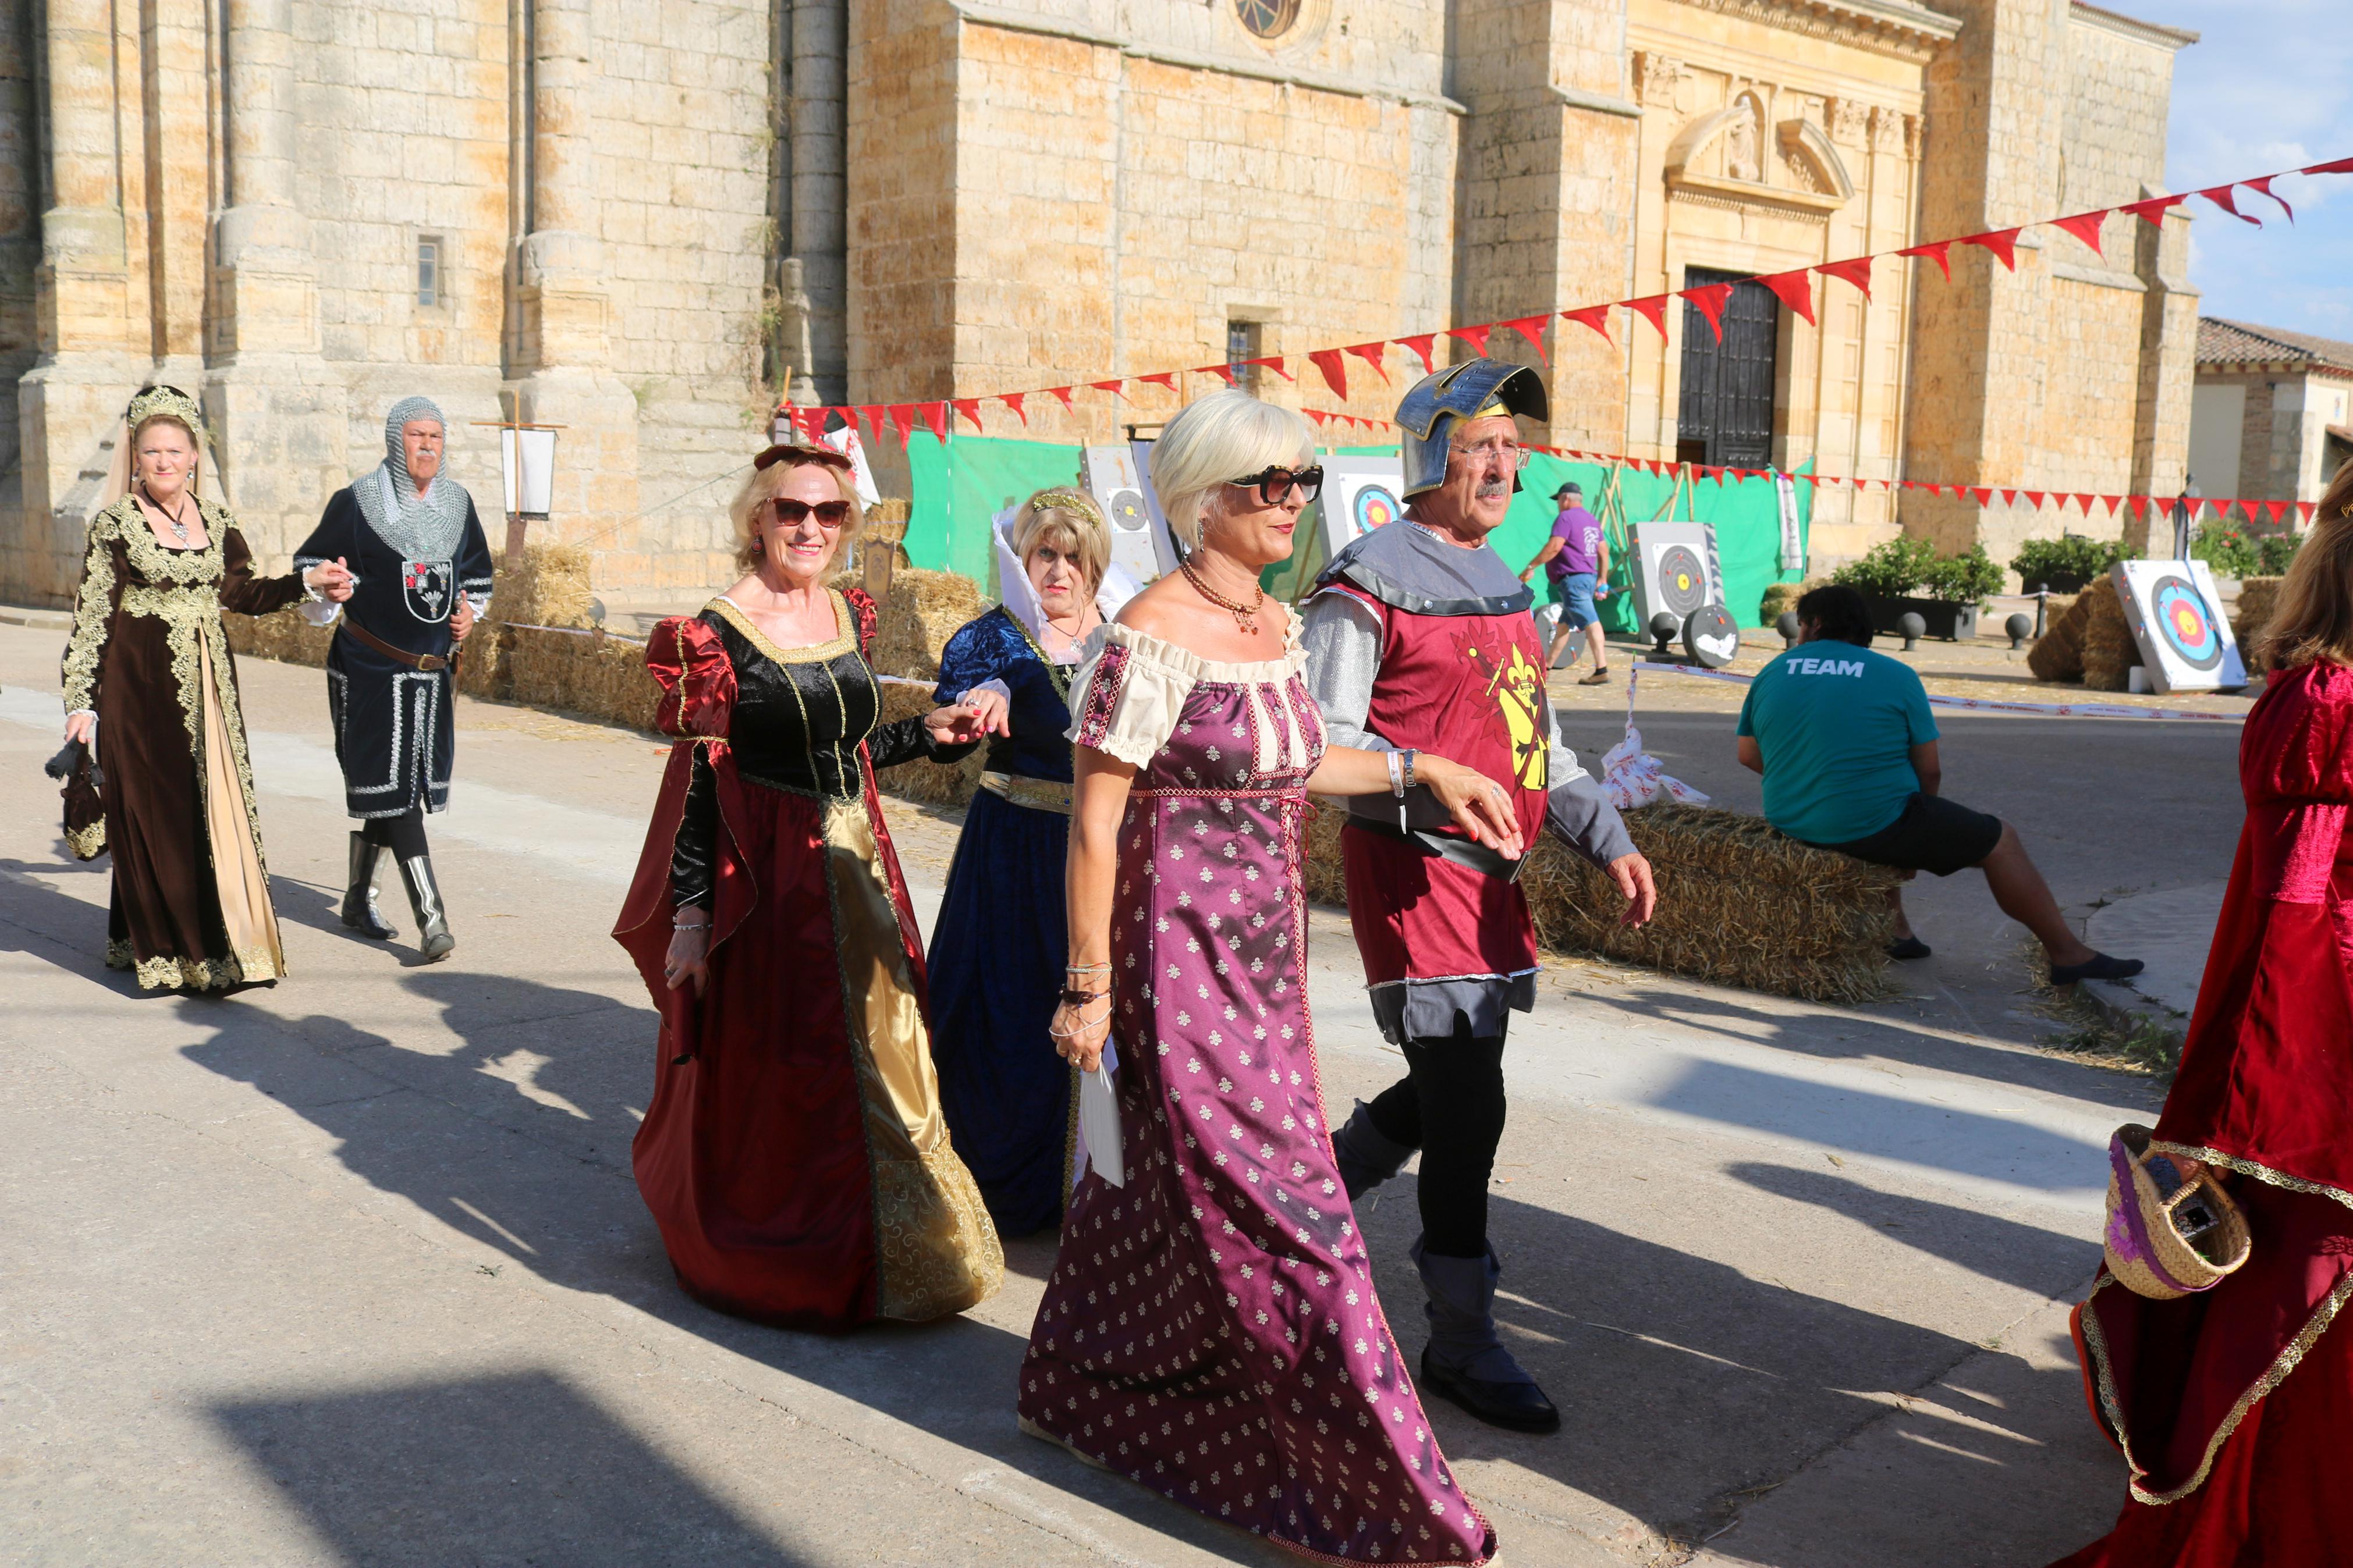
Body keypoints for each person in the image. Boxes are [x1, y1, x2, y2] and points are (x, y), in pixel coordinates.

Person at [1020, 389, 1526, 1564]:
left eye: (1304, 482)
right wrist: (1087, 988)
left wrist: (1425, 770)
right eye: (1270, 487)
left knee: (1147, 1188)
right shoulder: (1150, 628)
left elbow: (1303, 757)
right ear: (1203, 498)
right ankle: (1379, 1485)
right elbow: (1092, 823)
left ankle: (1094, 1392)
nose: (1294, 506)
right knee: (1290, 1218)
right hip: (1170, 960)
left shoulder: (1272, 622)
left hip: (1263, 963)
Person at [1303, 358, 1658, 1435]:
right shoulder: (1367, 575)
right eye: (1478, 443)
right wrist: (1420, 773)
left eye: (1511, 445)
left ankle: (1303, 1198)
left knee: (1457, 1081)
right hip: (1415, 872)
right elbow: (1316, 741)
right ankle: (1459, 1340)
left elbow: (1532, 733)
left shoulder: (1501, 573)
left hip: (1497, 881)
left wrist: (1607, 836)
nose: (1501, 464)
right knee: (1471, 1104)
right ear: (1429, 454)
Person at [613, 443, 1006, 1331]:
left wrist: (929, 731)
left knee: (889, 1050)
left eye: (829, 514)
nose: (809, 528)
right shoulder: (712, 634)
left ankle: (909, 1248)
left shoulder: (844, 609)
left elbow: (850, 749)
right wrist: (688, 916)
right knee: (796, 1066)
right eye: (791, 510)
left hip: (859, 863)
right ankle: (799, 1255)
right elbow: (697, 789)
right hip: (772, 880)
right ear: (756, 517)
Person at [2047, 468, 2353, 1566]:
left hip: (2304, 1040)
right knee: (2306, 1268)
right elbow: (2298, 917)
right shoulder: (2328, 704)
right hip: (2316, 1058)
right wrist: (2265, 1093)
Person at [59, 385, 354, 992]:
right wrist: (81, 705)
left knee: (213, 808)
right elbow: (93, 619)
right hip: (136, 693)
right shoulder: (115, 524)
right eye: (151, 452)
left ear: (195, 455)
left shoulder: (217, 522)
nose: (163, 462)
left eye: (174, 450)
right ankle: (177, 954)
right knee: (155, 812)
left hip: (211, 687)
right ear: (135, 459)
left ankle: (220, 945)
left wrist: (309, 582)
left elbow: (242, 595)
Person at [1736, 583, 2139, 983]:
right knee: (1998, 841)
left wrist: (1808, 779)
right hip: (1864, 822)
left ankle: (1897, 932)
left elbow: (1748, 755)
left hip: (1789, 819)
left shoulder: (1771, 671)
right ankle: (2068, 955)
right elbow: (1929, 770)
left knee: (1881, 810)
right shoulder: (1895, 674)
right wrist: (1914, 833)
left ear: (1815, 624)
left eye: (1801, 623)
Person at [926, 488, 1140, 1235]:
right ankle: (989, 1184)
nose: (1059, 569)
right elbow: (949, 719)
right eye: (1045, 553)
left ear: (1095, 565)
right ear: (1024, 558)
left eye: (1074, 556)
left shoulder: (1124, 638)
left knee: (1102, 1007)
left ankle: (1093, 1180)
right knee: (1007, 1011)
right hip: (1012, 852)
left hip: (1103, 851)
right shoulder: (992, 639)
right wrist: (982, 692)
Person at [292, 397, 494, 962]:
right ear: (393, 441)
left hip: (430, 675)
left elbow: (477, 575)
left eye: (434, 435)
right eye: (415, 435)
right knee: (396, 789)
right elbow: (309, 564)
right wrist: (328, 586)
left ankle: (357, 898)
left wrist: (470, 614)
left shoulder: (458, 503)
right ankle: (433, 919)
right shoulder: (356, 504)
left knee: (400, 788)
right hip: (370, 668)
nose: (426, 445)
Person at [1520, 479, 1613, 681]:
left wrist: (1531, 566)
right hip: (1588, 579)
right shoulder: (1592, 520)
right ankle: (1547, 666)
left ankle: (1602, 670)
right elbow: (1604, 551)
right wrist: (1602, 579)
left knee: (1592, 622)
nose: (1559, 505)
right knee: (1564, 625)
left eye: (1559, 501)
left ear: (1566, 498)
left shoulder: (1566, 518)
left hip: (1574, 582)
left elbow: (1554, 547)